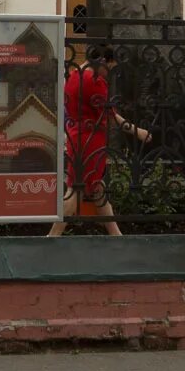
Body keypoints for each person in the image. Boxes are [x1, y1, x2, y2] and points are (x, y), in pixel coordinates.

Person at [49, 49, 150, 238]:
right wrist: (137, 131)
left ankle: (115, 233)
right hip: (91, 140)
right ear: (103, 60)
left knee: (96, 187)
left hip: (76, 135)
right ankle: (53, 236)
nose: (109, 73)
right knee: (76, 188)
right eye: (110, 68)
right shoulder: (95, 81)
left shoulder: (74, 76)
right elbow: (110, 114)